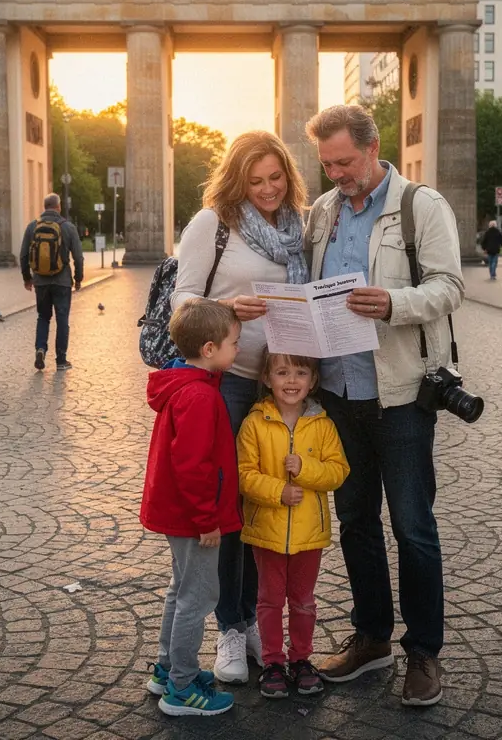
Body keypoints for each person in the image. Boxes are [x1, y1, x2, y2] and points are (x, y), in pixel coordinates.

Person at [303, 104, 464, 706]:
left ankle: (424, 652)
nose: (336, 173)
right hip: (339, 394)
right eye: (327, 164)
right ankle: (372, 639)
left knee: (413, 527)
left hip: (399, 395)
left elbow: (450, 286)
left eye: (344, 162)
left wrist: (393, 302)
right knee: (355, 522)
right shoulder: (322, 212)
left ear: (373, 149)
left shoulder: (422, 205)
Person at [172, 129, 309, 683]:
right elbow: (182, 300)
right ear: (236, 179)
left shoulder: (299, 226)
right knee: (228, 507)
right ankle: (229, 627)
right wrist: (227, 307)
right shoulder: (213, 223)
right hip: (227, 382)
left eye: (276, 177)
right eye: (255, 180)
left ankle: (254, 618)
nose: (268, 188)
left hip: (279, 382)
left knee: (265, 506)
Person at [140, 299, 242, 717]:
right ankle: (180, 687)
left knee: (180, 591)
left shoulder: (180, 384)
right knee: (197, 597)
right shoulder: (200, 397)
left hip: (176, 513)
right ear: (209, 349)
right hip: (194, 518)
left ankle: (167, 668)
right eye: (234, 343)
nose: (238, 349)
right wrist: (208, 520)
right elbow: (195, 467)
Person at [237, 353, 349, 700]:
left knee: (302, 601)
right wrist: (277, 492)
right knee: (269, 600)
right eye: (282, 372)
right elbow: (244, 474)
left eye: (300, 372)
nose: (291, 380)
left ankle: (301, 659)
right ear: (267, 378)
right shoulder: (255, 423)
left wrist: (305, 469)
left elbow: (338, 472)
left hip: (308, 536)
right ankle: (272, 662)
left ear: (313, 380)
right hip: (267, 532)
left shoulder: (323, 425)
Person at [19, 193, 84, 371]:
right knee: (62, 319)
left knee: (43, 317)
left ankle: (40, 349)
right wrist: (78, 279)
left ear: (44, 206)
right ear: (59, 207)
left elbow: (23, 255)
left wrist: (27, 278)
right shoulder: (68, 227)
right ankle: (61, 360)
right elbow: (78, 257)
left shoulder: (32, 226)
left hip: (41, 281)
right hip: (62, 281)